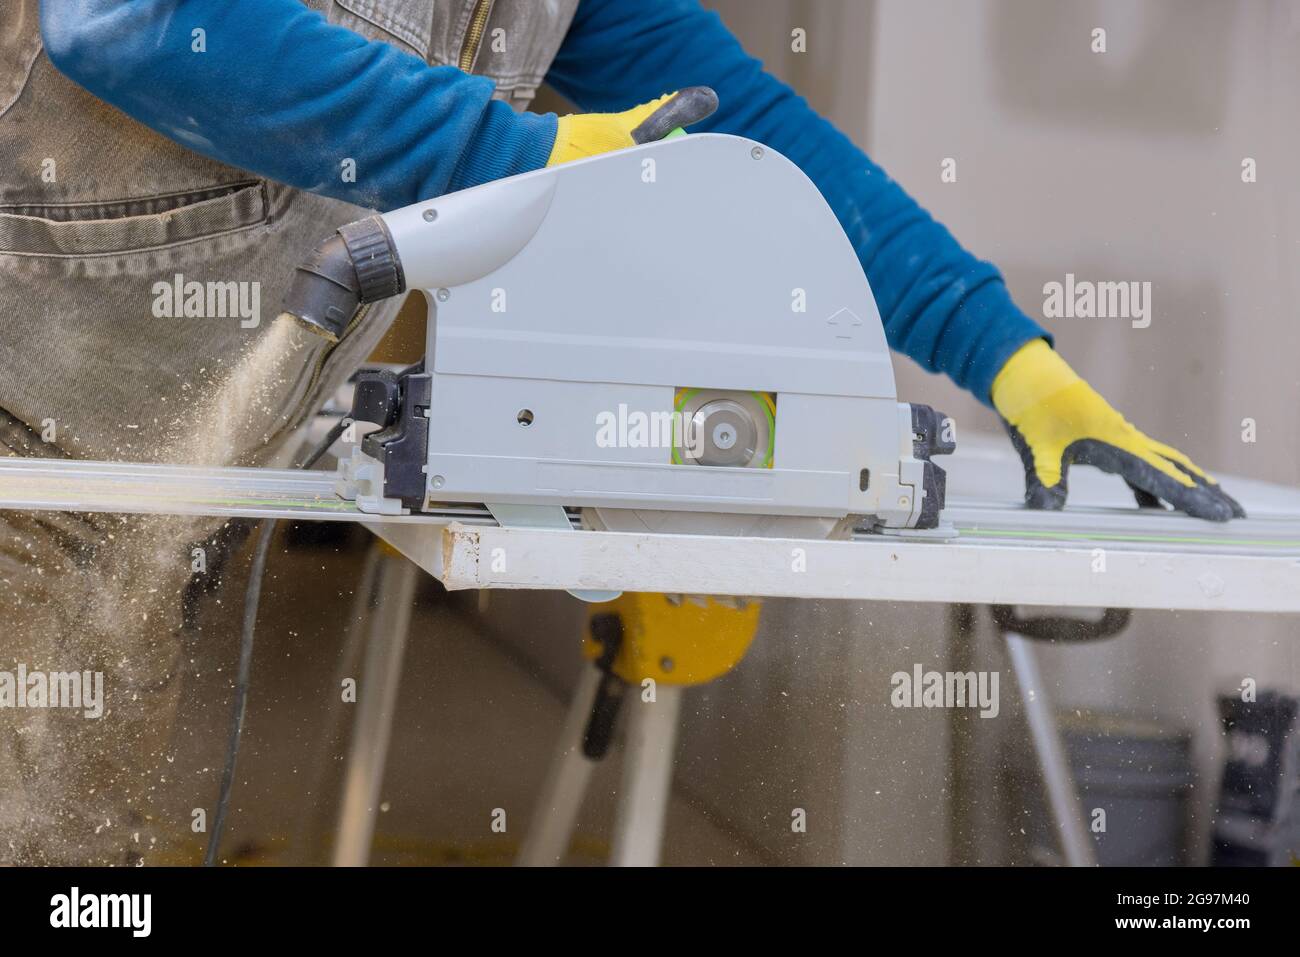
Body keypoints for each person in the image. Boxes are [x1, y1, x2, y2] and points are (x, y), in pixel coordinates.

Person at [0, 0, 1240, 864]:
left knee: (84, 862)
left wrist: (1010, 359)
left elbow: (750, 139)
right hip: (17, 439)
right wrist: (518, 153)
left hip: (155, 499)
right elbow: (131, 19)